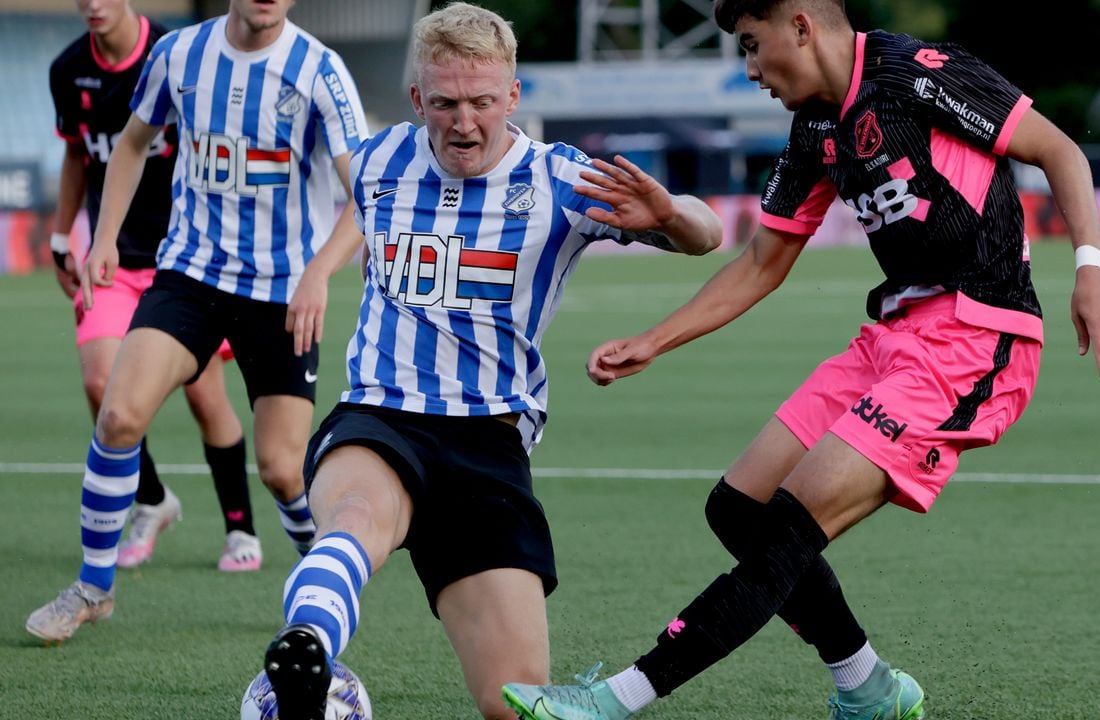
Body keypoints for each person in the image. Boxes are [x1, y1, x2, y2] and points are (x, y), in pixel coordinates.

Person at [501, 1, 1100, 718]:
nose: (752, 69)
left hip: (976, 339)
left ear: (801, 24)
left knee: (790, 527)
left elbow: (1059, 150)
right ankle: (868, 687)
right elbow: (763, 261)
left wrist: (1091, 270)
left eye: (754, 46)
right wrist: (655, 339)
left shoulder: (922, 75)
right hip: (895, 334)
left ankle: (616, 698)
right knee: (738, 508)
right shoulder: (813, 132)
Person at [252, 4, 722, 719]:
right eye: (443, 103)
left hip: (490, 441)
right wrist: (317, 271)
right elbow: (353, 208)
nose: (463, 122)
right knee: (354, 516)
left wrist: (670, 213)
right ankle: (306, 657)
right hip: (383, 411)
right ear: (418, 100)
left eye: (480, 102)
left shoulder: (561, 180)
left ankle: (311, 660)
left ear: (512, 97)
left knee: (516, 702)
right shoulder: (379, 160)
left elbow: (707, 237)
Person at [26, 0, 367, 643]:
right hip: (190, 276)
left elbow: (366, 192)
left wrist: (319, 272)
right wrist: (102, 237)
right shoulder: (180, 54)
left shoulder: (320, 71)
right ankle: (93, 587)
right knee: (119, 414)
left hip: (281, 292)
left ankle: (319, 584)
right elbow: (129, 145)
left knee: (281, 469)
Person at [46, 0, 266, 578]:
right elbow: (76, 155)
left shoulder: (179, 54)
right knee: (101, 383)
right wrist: (62, 233)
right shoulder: (68, 70)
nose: (92, 5)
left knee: (205, 397)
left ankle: (240, 526)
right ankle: (152, 500)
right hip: (111, 257)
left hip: (186, 262)